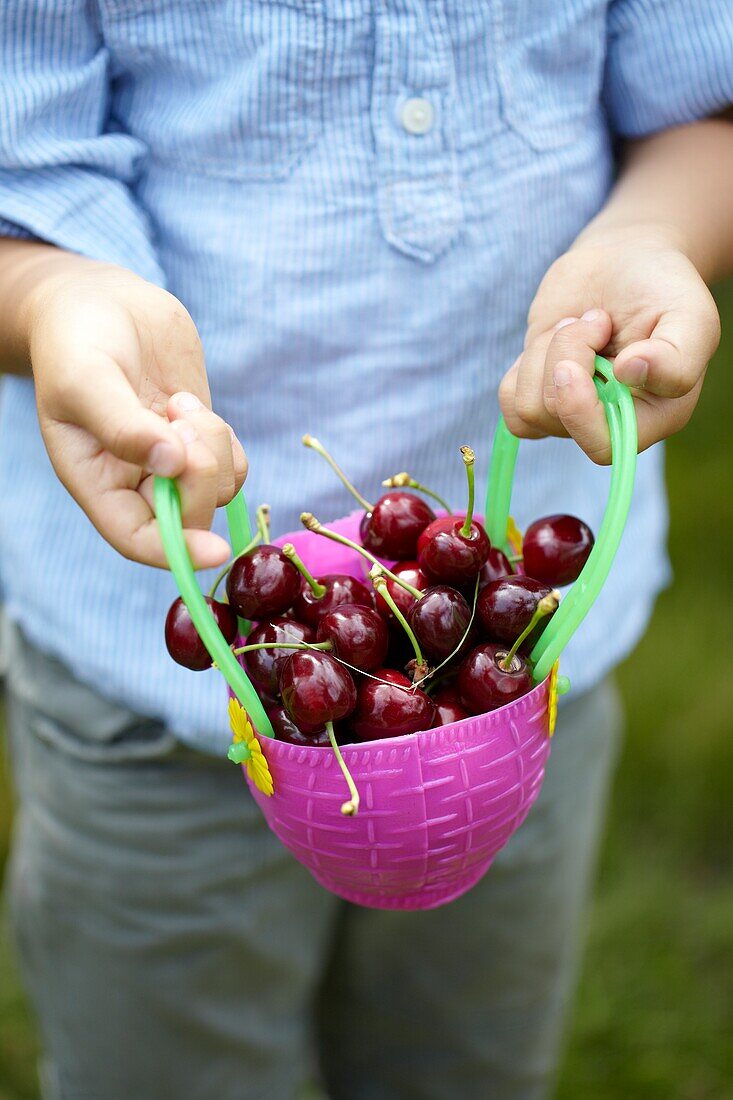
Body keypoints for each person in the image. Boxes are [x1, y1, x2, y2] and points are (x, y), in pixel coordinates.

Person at [0, 2, 731, 1097]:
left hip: (520, 680)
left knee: (463, 1058)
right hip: (150, 698)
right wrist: (57, 293)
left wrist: (653, 237)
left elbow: (700, 105)